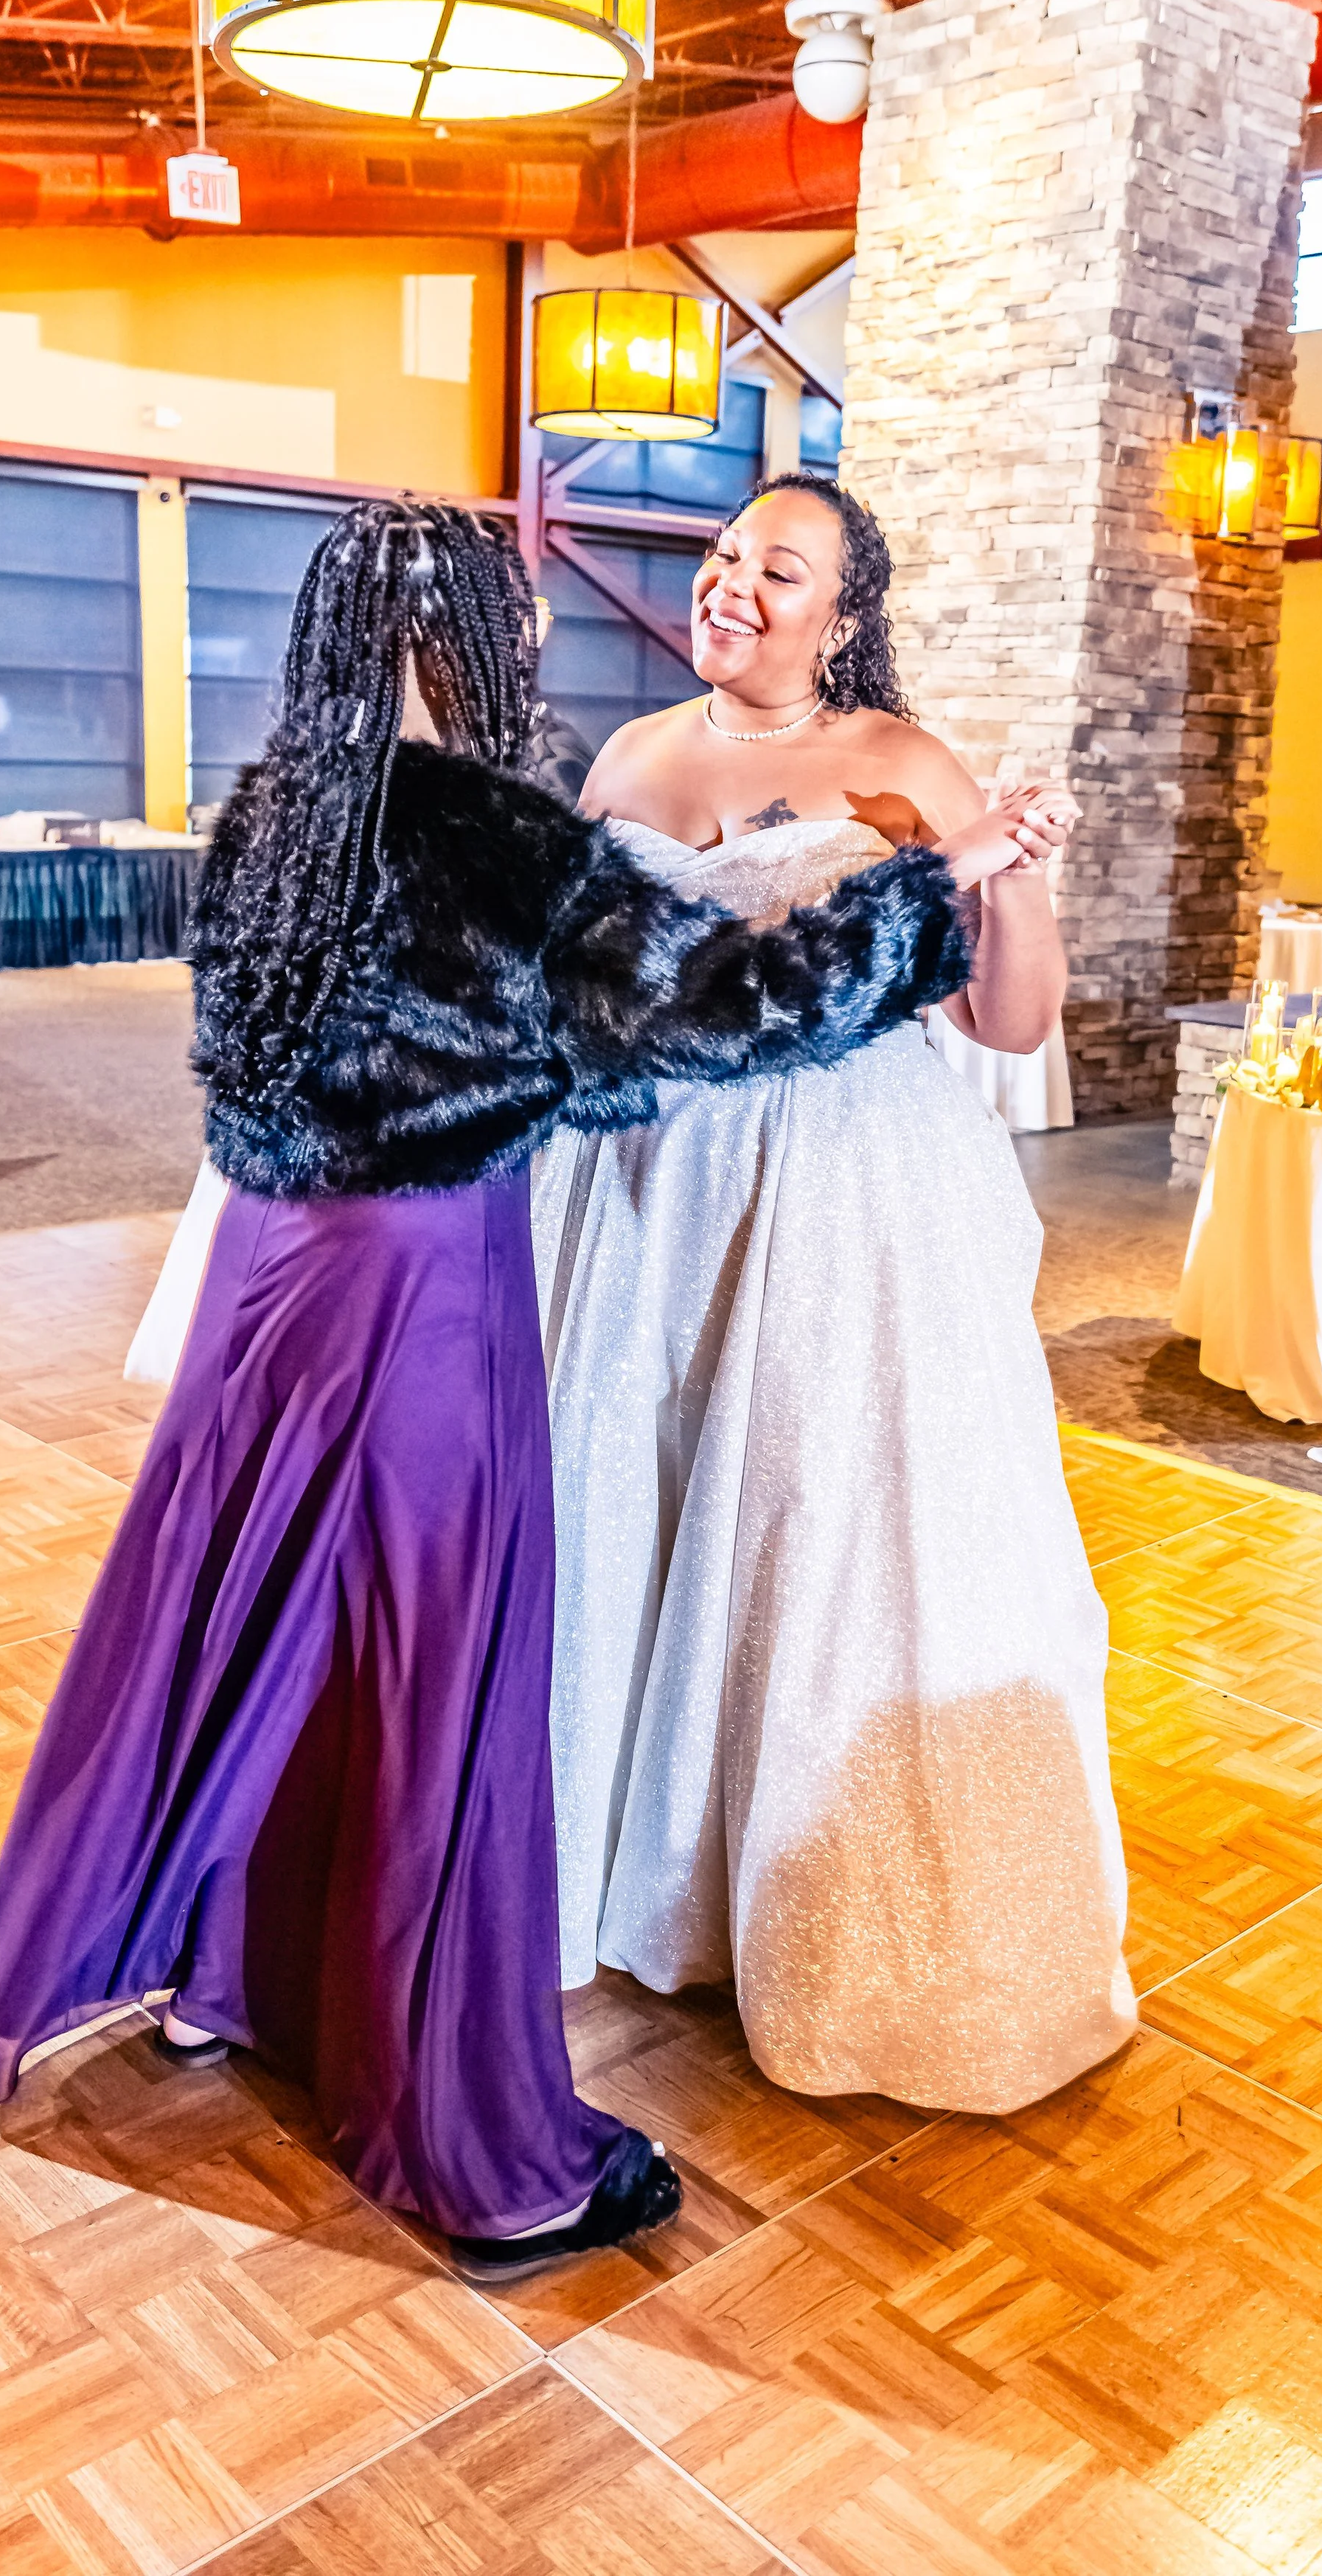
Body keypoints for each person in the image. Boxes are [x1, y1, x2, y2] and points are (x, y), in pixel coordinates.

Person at [0, 497, 992, 2282]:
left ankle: (221, 1977)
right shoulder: (505, 836)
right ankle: (485, 2160)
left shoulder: (281, 808)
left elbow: (328, 1045)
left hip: (270, 1278)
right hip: (426, 1281)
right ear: (490, 646)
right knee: (439, 1665)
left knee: (257, 1611)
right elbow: (729, 1015)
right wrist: (921, 893)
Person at [533, 470, 1138, 2116]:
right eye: (726, 557)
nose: (732, 585)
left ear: (842, 613)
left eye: (775, 570)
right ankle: (638, 1854)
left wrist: (1002, 874)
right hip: (651, 1174)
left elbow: (1006, 1025)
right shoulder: (632, 761)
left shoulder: (894, 766)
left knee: (813, 1506)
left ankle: (808, 1882)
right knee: (635, 1483)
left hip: (848, 1185)